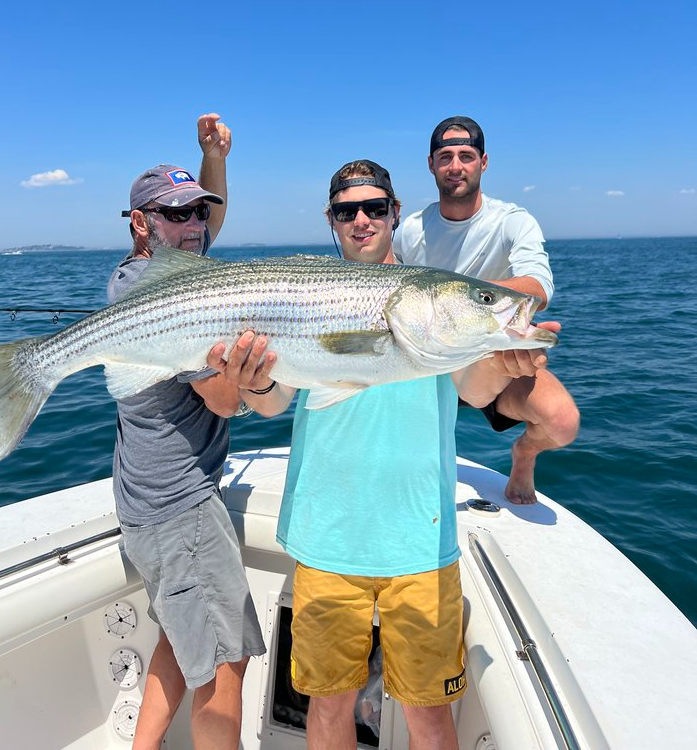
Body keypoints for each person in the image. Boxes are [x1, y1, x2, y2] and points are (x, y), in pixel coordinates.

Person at [207, 160, 555, 749]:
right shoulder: (302, 295)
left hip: (420, 541)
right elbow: (272, 405)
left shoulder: (433, 304)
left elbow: (474, 390)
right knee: (327, 707)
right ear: (332, 221)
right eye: (348, 211)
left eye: (374, 208)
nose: (362, 219)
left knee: (429, 716)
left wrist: (503, 354)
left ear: (395, 213)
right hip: (327, 536)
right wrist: (250, 379)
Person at [110, 114, 266, 750]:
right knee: (226, 664)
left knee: (182, 644)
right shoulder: (175, 301)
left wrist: (213, 161)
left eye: (198, 214)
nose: (195, 227)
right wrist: (256, 377)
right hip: (180, 510)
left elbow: (206, 226)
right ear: (142, 224)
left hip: (145, 500)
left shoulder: (141, 274)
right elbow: (223, 403)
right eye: (176, 216)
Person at [394, 116, 580, 504]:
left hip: (490, 356)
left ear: (484, 162)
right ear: (431, 165)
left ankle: (524, 453)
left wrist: (467, 308)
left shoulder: (513, 221)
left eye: (466, 155)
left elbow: (537, 286)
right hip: (426, 355)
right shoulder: (412, 229)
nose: (455, 166)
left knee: (563, 423)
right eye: (445, 157)